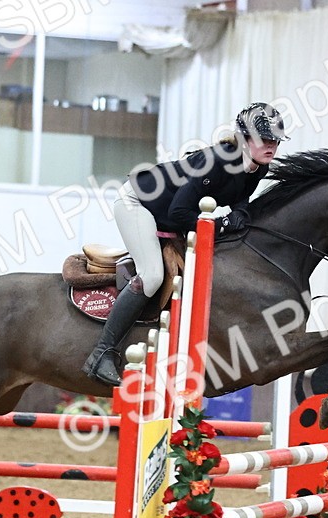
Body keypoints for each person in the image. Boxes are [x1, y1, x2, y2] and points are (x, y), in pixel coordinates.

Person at [82, 101, 289, 387]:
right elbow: (180, 212)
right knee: (152, 276)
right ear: (243, 139)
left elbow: (241, 197)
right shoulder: (216, 162)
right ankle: (101, 352)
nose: (271, 146)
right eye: (265, 139)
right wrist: (222, 224)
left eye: (275, 141)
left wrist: (239, 215)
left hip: (168, 216)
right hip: (138, 203)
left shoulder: (258, 168)